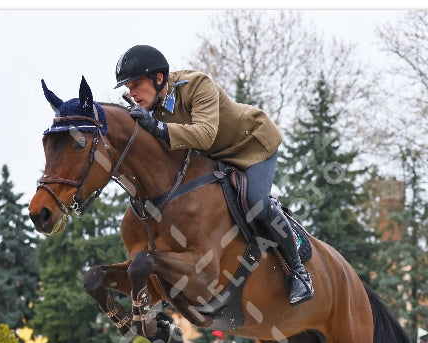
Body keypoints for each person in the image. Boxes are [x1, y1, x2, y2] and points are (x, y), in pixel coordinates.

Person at [114, 44, 314, 306]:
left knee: (257, 203)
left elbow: (206, 134)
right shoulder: (149, 108)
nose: (133, 93)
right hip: (211, 158)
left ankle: (298, 272)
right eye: (129, 89)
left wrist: (157, 127)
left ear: (159, 78)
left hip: (251, 145)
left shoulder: (196, 85)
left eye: (136, 85)